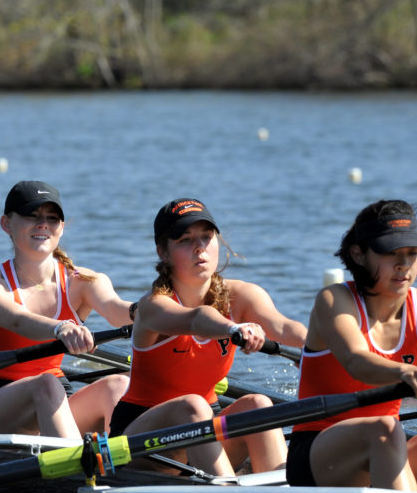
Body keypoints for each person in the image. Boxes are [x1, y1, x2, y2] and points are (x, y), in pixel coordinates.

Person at [108, 198, 306, 476]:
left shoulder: (240, 295)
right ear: (163, 252)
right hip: (144, 440)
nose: (199, 247)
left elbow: (283, 328)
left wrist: (323, 348)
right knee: (193, 405)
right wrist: (233, 329)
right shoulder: (153, 306)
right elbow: (195, 319)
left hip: (205, 430)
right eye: (185, 240)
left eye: (206, 237)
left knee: (258, 404)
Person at [287, 200, 417, 492]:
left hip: (387, 447)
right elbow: (357, 362)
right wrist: (407, 371)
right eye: (390, 253)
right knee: (384, 428)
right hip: (317, 453)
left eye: (412, 253)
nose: (403, 265)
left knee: (388, 431)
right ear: (359, 255)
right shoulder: (334, 301)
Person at [0, 181, 133, 438]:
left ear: (61, 228)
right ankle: (80, 469)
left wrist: (164, 309)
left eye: (52, 218)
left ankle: (124, 469)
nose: (43, 224)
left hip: (55, 393)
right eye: (32, 216)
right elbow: (16, 319)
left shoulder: (83, 281)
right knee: (47, 384)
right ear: (6, 224)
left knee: (118, 384)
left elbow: (118, 310)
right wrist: (61, 327)